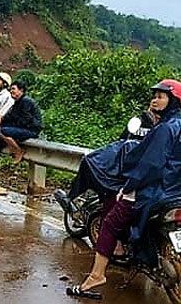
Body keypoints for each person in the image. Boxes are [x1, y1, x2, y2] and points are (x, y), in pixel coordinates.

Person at [67, 79, 181, 300]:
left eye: (160, 96)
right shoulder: (171, 124)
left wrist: (128, 186)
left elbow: (151, 164)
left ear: (174, 100)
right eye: (154, 96)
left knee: (109, 224)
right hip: (175, 190)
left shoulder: (166, 128)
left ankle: (96, 276)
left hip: (156, 189)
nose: (155, 100)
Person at [0, 81, 42, 162]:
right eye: (10, 89)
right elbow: (11, 117)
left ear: (21, 90)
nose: (11, 91)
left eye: (13, 89)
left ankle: (18, 151)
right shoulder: (17, 102)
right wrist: (0, 119)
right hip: (25, 127)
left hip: (32, 130)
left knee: (3, 131)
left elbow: (26, 120)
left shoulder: (26, 101)